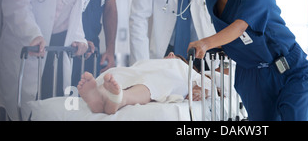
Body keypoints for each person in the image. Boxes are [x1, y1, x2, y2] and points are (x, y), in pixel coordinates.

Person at [188, 0, 308, 121]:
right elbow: (227, 33)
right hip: (251, 75)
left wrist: (206, 43)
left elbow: (240, 27)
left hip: (288, 69)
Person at [77, 52, 211, 115]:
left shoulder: (182, 69)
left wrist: (199, 91)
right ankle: (100, 95)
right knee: (119, 75)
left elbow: (205, 84)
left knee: (152, 84)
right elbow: (137, 69)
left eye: (177, 57)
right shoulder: (150, 63)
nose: (171, 57)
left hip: (165, 77)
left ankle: (119, 99)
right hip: (139, 71)